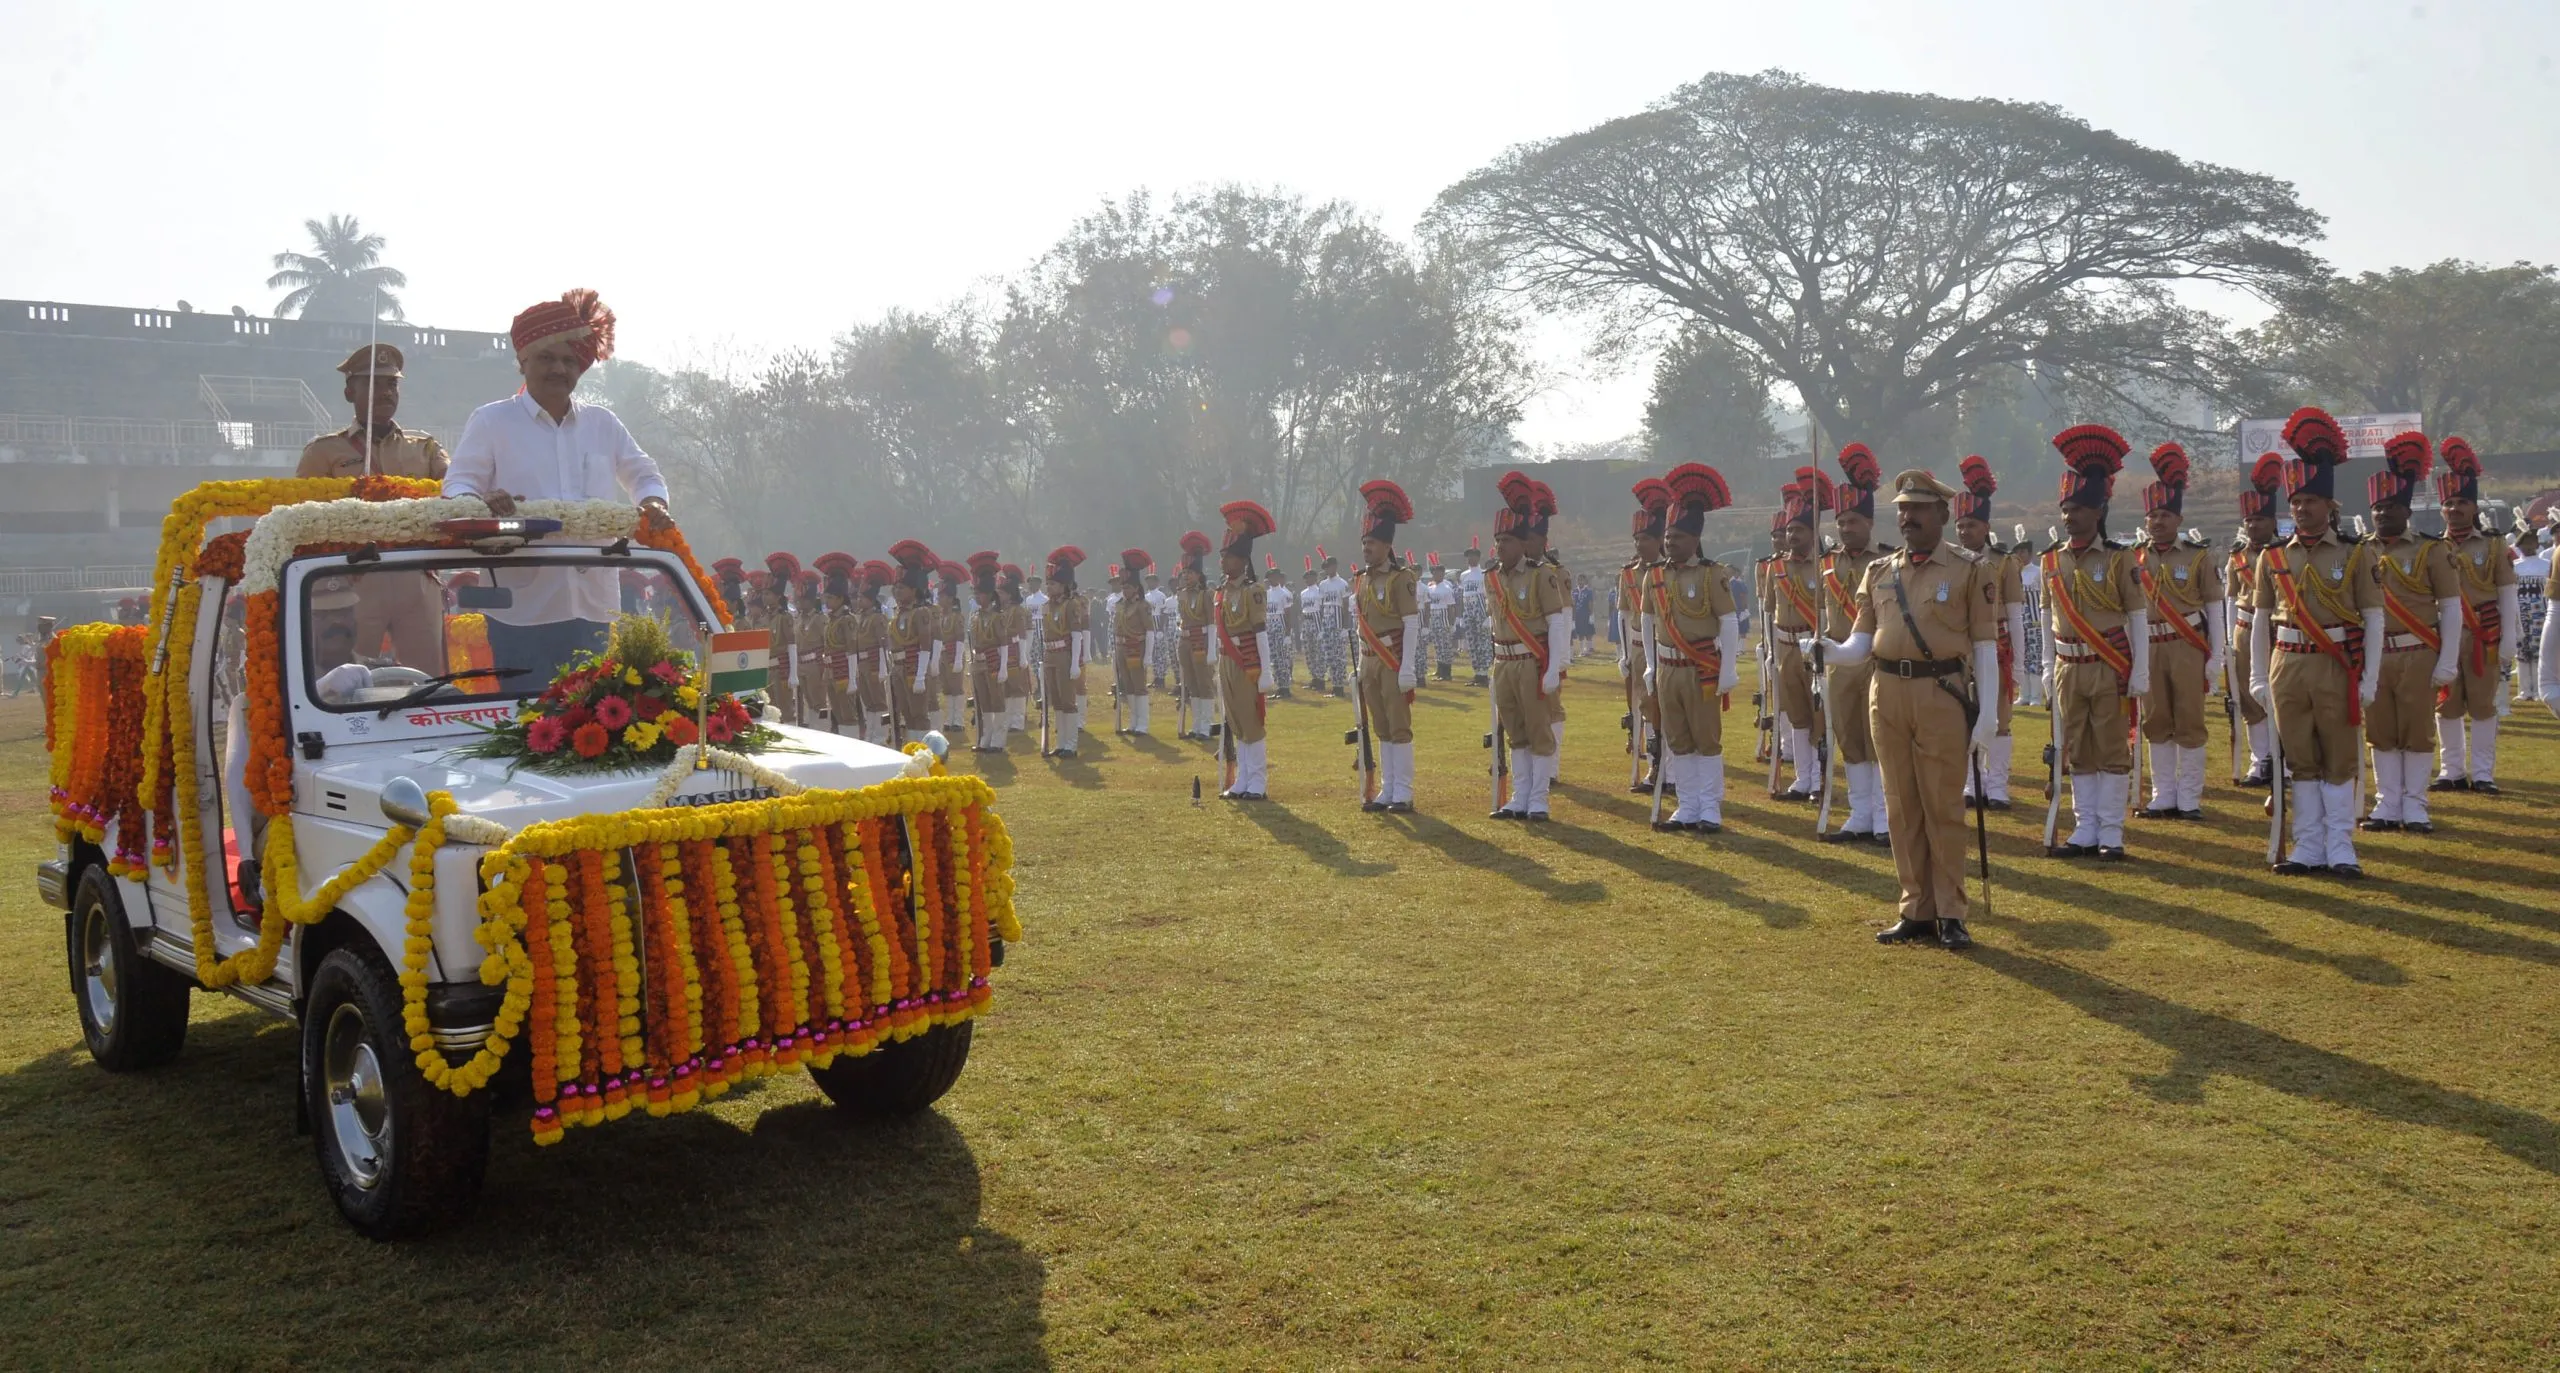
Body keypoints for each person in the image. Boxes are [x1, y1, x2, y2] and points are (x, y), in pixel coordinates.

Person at [1811, 470, 2004, 949]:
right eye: (1902, 509)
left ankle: (1951, 911)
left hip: (1941, 693)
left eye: (1918, 508)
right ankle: (1916, 908)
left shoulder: (1970, 569)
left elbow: (1985, 647)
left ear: (1942, 514)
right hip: (1886, 692)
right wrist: (1830, 652)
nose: (1907, 517)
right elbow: (1862, 642)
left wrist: (1987, 717)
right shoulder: (1880, 572)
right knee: (1900, 805)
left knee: (1942, 806)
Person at [443, 289, 672, 686]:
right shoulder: (492, 421)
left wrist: (652, 503)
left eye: (569, 361)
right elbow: (458, 484)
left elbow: (644, 475)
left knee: (592, 715)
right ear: (523, 361)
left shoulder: (603, 424)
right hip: (520, 609)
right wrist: (479, 503)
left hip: (594, 604)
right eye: (547, 358)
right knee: (527, 717)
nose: (559, 369)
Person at [2251, 407, 2383, 878]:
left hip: (2335, 664)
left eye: (2311, 500)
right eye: (2296, 501)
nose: (2302, 509)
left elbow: (2374, 617)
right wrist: (2257, 676)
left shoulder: (2355, 553)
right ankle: (2308, 845)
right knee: (2300, 758)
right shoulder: (2272, 557)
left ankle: (2341, 846)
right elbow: (2260, 620)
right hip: (2287, 664)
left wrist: (2370, 677)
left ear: (2330, 505)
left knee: (2339, 757)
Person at [2042, 426, 2149, 860]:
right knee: (2078, 748)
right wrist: (2047, 668)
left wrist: (2140, 670)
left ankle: (2111, 832)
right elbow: (2049, 618)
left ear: (2099, 510)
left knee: (2110, 747)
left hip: (2108, 665)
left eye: (2078, 509)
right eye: (2066, 509)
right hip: (2068, 666)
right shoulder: (2051, 559)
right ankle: (2084, 828)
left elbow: (2137, 615)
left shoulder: (2120, 557)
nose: (2069, 517)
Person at [2359, 433, 2463, 833]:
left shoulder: (2430, 549)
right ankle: (2387, 803)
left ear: (2407, 510)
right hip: (2374, 654)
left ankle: (2416, 804)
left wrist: (2448, 661)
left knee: (2417, 730)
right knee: (2380, 730)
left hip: (2418, 650)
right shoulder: (2360, 550)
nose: (2383, 513)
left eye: (2391, 506)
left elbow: (2450, 606)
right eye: (2378, 507)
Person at [1642, 464, 1741, 832]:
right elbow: (1647, 622)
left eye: (1678, 537)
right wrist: (1650, 665)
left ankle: (1710, 807)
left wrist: (1729, 670)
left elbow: (1728, 621)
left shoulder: (1712, 574)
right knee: (1678, 739)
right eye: (1668, 536)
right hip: (1668, 668)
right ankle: (1686, 806)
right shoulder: (1654, 575)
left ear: (1695, 539)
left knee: (1706, 739)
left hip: (1702, 667)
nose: (1670, 543)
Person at [2132, 444, 2225, 821]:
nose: (2157, 521)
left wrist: (2217, 655)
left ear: (2179, 518)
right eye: (2152, 515)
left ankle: (2189, 797)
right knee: (2156, 719)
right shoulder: (2134, 557)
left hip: (2187, 644)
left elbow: (2214, 607)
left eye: (2165, 515)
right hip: (2150, 645)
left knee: (2189, 719)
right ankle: (2162, 795)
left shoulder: (2197, 555)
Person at [2430, 438, 2518, 794]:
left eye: (2461, 502)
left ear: (2474, 506)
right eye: (2448, 503)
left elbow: (2507, 592)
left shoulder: (2494, 543)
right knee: (2446, 705)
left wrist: (2510, 639)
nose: (2454, 509)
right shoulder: (2432, 547)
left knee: (2483, 706)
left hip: (2485, 636)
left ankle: (2483, 774)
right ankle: (2451, 771)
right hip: (2444, 637)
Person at [1821, 445, 1894, 843]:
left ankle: (1884, 815)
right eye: (1840, 521)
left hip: (1877, 661)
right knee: (1849, 738)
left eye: (1852, 521)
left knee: (1878, 739)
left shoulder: (1887, 561)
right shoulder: (1826, 563)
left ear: (1869, 522)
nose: (1845, 528)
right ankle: (1859, 814)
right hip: (1839, 661)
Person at [1488, 473, 1568, 820]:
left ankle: (1538, 798)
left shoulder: (1540, 574)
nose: (1500, 547)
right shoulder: (1492, 577)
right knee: (1515, 732)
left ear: (1523, 543)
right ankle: (1519, 796)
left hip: (1531, 663)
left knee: (1538, 731)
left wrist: (1554, 669)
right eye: (1497, 540)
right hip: (1503, 662)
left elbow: (1556, 622)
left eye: (1507, 540)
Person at [1953, 456, 2027, 811]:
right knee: (1964, 717)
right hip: (1959, 648)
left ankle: (1997, 785)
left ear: (1986, 527)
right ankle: (1972, 783)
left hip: (1997, 648)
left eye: (1971, 525)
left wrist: (2020, 664)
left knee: (1998, 718)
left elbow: (2016, 615)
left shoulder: (2004, 562)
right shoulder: (1950, 560)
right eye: (1959, 525)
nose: (1964, 532)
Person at [1351, 481, 1421, 812]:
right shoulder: (1361, 579)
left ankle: (1403, 790)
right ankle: (1387, 788)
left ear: (1387, 545)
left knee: (1398, 726)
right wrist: (1360, 665)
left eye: (1372, 543)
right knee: (1380, 726)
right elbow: (1361, 625)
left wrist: (1408, 667)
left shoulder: (1400, 578)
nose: (1366, 548)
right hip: (1369, 661)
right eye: (1364, 542)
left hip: (1392, 659)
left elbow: (1411, 623)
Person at [1764, 470, 1832, 801]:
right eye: (1789, 529)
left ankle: (1819, 780)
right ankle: (1803, 778)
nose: (1792, 535)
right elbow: (1769, 610)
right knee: (1796, 715)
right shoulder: (1775, 567)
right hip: (1785, 647)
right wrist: (1770, 650)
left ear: (1812, 531)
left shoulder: (1825, 565)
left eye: (1799, 529)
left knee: (1819, 714)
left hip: (1813, 646)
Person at [2228, 454, 2286, 787]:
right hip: (2245, 629)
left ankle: (2285, 761)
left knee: (2281, 695)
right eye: (2249, 520)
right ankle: (2259, 759)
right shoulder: (2237, 556)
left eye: (2260, 519)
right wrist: (2227, 642)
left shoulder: (2284, 552)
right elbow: (2230, 597)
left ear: (2272, 521)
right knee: (2249, 700)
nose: (2253, 526)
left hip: (2278, 629)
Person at [1214, 504, 1278, 799]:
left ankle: (1258, 781)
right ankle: (1242, 778)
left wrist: (1266, 671)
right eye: (1222, 556)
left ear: (1242, 560)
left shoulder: (1253, 590)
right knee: (1236, 721)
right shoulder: (1222, 591)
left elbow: (1260, 632)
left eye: (1228, 556)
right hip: (1226, 661)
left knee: (1251, 722)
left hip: (1247, 662)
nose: (1223, 562)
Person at [1622, 478, 1673, 794]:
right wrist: (1624, 654)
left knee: (1671, 709)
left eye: (1645, 539)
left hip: (1668, 649)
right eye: (1636, 539)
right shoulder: (1628, 573)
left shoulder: (1670, 570)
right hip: (1641, 650)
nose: (1639, 544)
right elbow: (1623, 614)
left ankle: (1674, 772)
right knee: (1647, 709)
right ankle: (1656, 767)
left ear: (1659, 541)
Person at [884, 542, 937, 742]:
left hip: (914, 667)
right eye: (896, 588)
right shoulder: (898, 614)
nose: (897, 591)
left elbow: (925, 645)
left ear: (914, 590)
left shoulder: (920, 612)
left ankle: (923, 749)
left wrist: (921, 674)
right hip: (898, 667)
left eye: (902, 588)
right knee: (906, 712)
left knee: (919, 714)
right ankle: (912, 747)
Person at [1042, 546, 1089, 755]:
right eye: (1048, 583)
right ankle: (1060, 743)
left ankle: (1070, 744)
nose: (1049, 587)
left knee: (1068, 701)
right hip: (1050, 655)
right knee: (1057, 701)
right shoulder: (1048, 606)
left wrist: (1075, 663)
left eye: (1052, 584)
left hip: (1064, 655)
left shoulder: (1071, 605)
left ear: (1063, 585)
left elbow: (1076, 635)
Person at [812, 553, 861, 737]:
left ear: (841, 598)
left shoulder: (847, 620)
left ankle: (852, 741)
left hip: (844, 670)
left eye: (831, 598)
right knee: (838, 713)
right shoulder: (832, 619)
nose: (827, 601)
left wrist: (853, 678)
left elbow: (851, 649)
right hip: (831, 670)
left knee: (848, 713)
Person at [1174, 532, 1216, 739]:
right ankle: (1196, 724)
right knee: (1191, 683)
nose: (1186, 576)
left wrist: (1212, 650)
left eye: (1190, 572)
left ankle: (1206, 726)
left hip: (1201, 641)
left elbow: (1212, 623)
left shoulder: (1206, 594)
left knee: (1204, 683)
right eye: (1184, 573)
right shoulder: (1181, 594)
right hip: (1185, 641)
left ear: (1199, 575)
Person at [1113, 551, 1158, 735]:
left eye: (1129, 587)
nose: (1125, 591)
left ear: (1136, 588)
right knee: (1128, 686)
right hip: (1121, 648)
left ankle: (1143, 723)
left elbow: (1150, 631)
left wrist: (1148, 655)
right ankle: (1133, 721)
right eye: (1123, 587)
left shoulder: (1142, 605)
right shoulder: (1119, 605)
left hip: (1136, 648)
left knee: (1139, 686)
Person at [2516, 521, 2548, 702]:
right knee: (2521, 652)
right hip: (2519, 613)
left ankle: (2537, 690)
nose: (2527, 548)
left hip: (2541, 613)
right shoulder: (2514, 566)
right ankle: (2524, 690)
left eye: (2531, 544)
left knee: (2538, 652)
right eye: (2525, 544)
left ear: (2536, 545)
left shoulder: (2546, 565)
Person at [1262, 555, 1297, 698]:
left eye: (1275, 576)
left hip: (1280, 625)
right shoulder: (1266, 594)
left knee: (1282, 657)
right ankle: (1278, 686)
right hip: (1270, 625)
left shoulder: (1284, 593)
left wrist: (1288, 633)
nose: (1273, 579)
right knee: (1274, 658)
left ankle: (1285, 687)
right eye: (1271, 577)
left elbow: (1288, 614)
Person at [1458, 541, 1492, 687]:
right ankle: (1477, 672)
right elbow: (1462, 596)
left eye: (1472, 556)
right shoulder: (1463, 575)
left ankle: (1484, 673)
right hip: (1468, 610)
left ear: (1478, 557)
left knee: (1482, 641)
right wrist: (1461, 616)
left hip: (1480, 610)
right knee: (1472, 642)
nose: (1470, 559)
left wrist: (1488, 616)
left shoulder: (1484, 574)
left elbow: (1489, 596)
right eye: (1468, 557)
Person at [1424, 558, 1458, 681]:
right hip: (1433, 617)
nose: (1437, 575)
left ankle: (1446, 673)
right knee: (1437, 645)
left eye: (1439, 573)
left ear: (1443, 574)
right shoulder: (1430, 587)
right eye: (1435, 573)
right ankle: (1439, 670)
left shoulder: (1447, 588)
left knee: (1445, 646)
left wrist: (1452, 623)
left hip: (1443, 617)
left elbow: (1451, 607)